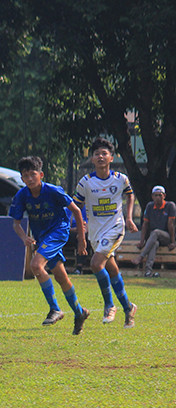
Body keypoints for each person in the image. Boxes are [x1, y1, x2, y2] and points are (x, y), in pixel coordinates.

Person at [10, 155, 90, 335]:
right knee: (61, 277)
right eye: (25, 176)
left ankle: (55, 309)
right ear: (21, 178)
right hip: (42, 237)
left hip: (58, 232)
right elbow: (16, 223)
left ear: (41, 174)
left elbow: (76, 210)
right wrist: (24, 237)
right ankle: (79, 312)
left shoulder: (53, 191)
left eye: (33, 174)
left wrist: (81, 239)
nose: (29, 179)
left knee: (35, 265)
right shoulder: (22, 195)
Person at [72, 138, 138, 326]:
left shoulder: (120, 179)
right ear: (92, 159)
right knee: (111, 267)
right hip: (95, 232)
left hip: (115, 228)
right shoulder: (86, 182)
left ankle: (109, 305)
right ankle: (128, 307)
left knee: (95, 263)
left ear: (111, 157)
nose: (100, 156)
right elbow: (76, 206)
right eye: (96, 154)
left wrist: (129, 217)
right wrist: (81, 230)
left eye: (104, 153)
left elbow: (130, 194)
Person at [137, 185, 175, 277]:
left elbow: (171, 225)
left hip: (167, 236)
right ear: (152, 196)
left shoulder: (170, 206)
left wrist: (173, 242)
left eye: (160, 195)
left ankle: (141, 256)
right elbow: (145, 224)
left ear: (164, 196)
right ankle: (148, 271)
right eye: (156, 195)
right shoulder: (150, 206)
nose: (158, 197)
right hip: (153, 238)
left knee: (156, 232)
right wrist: (142, 241)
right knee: (154, 243)